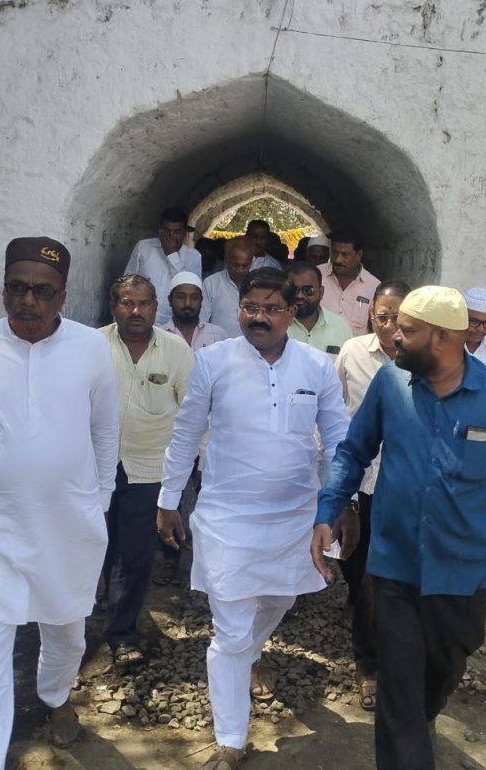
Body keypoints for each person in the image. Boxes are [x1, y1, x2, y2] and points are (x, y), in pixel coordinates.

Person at [314, 286, 486, 770]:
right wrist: (328, 510)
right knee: (398, 686)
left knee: (443, 671)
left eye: (407, 331)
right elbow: (353, 451)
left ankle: (422, 716)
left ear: (442, 338)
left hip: (463, 570)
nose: (393, 337)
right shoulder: (390, 383)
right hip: (394, 565)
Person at [156, 268, 356, 770]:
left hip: (295, 515)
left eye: (271, 308)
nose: (259, 317)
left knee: (280, 597)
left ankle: (248, 655)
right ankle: (231, 738)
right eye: (250, 307)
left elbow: (338, 440)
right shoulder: (212, 362)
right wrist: (168, 499)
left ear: (291, 312)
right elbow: (186, 433)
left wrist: (341, 504)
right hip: (227, 517)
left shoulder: (316, 365)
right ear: (239, 309)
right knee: (229, 631)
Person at [0, 237, 119, 766]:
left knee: (66, 635)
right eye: (17, 288)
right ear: (3, 290)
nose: (28, 301)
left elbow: (106, 430)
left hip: (69, 527)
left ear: (63, 296)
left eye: (43, 291)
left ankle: (56, 697)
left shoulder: (90, 348)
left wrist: (99, 504)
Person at [99, 275, 193, 665]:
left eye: (144, 303)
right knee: (98, 544)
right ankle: (104, 605)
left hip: (149, 468)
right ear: (113, 307)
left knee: (134, 553)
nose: (135, 311)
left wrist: (188, 472)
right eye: (126, 302)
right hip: (96, 467)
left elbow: (192, 415)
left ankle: (122, 634)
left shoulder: (176, 351)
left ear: (156, 307)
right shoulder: (91, 347)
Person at [333, 279, 411, 711]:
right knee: (361, 570)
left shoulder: (422, 359)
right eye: (383, 317)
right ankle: (369, 665)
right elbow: (334, 414)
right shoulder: (353, 353)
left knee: (380, 581)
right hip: (363, 482)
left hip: (403, 488)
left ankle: (378, 663)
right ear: (370, 315)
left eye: (399, 318)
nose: (390, 326)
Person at [124, 206, 202, 326]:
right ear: (160, 230)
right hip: (140, 318)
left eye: (177, 232)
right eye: (167, 231)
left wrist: (172, 254)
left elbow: (188, 287)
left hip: (172, 324)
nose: (171, 236)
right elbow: (126, 283)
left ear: (184, 233)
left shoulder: (193, 256)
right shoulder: (144, 247)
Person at [320, 229, 380, 336]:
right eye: (335, 252)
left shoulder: (373, 286)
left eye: (345, 254)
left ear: (359, 254)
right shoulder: (316, 276)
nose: (338, 260)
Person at [286, 261, 353, 358]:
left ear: (321, 292)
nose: (300, 296)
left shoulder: (340, 327)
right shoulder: (276, 327)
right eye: (294, 290)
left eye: (308, 290)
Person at [160, 271, 228, 351]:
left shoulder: (218, 336)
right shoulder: (158, 337)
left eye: (194, 298)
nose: (187, 303)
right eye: (181, 297)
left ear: (201, 301)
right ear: (170, 300)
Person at [201, 236, 253, 339]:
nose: (240, 270)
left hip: (250, 346)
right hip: (217, 345)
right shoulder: (211, 283)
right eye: (235, 265)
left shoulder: (258, 285)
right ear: (226, 260)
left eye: (245, 266)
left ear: (251, 263)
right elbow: (202, 321)